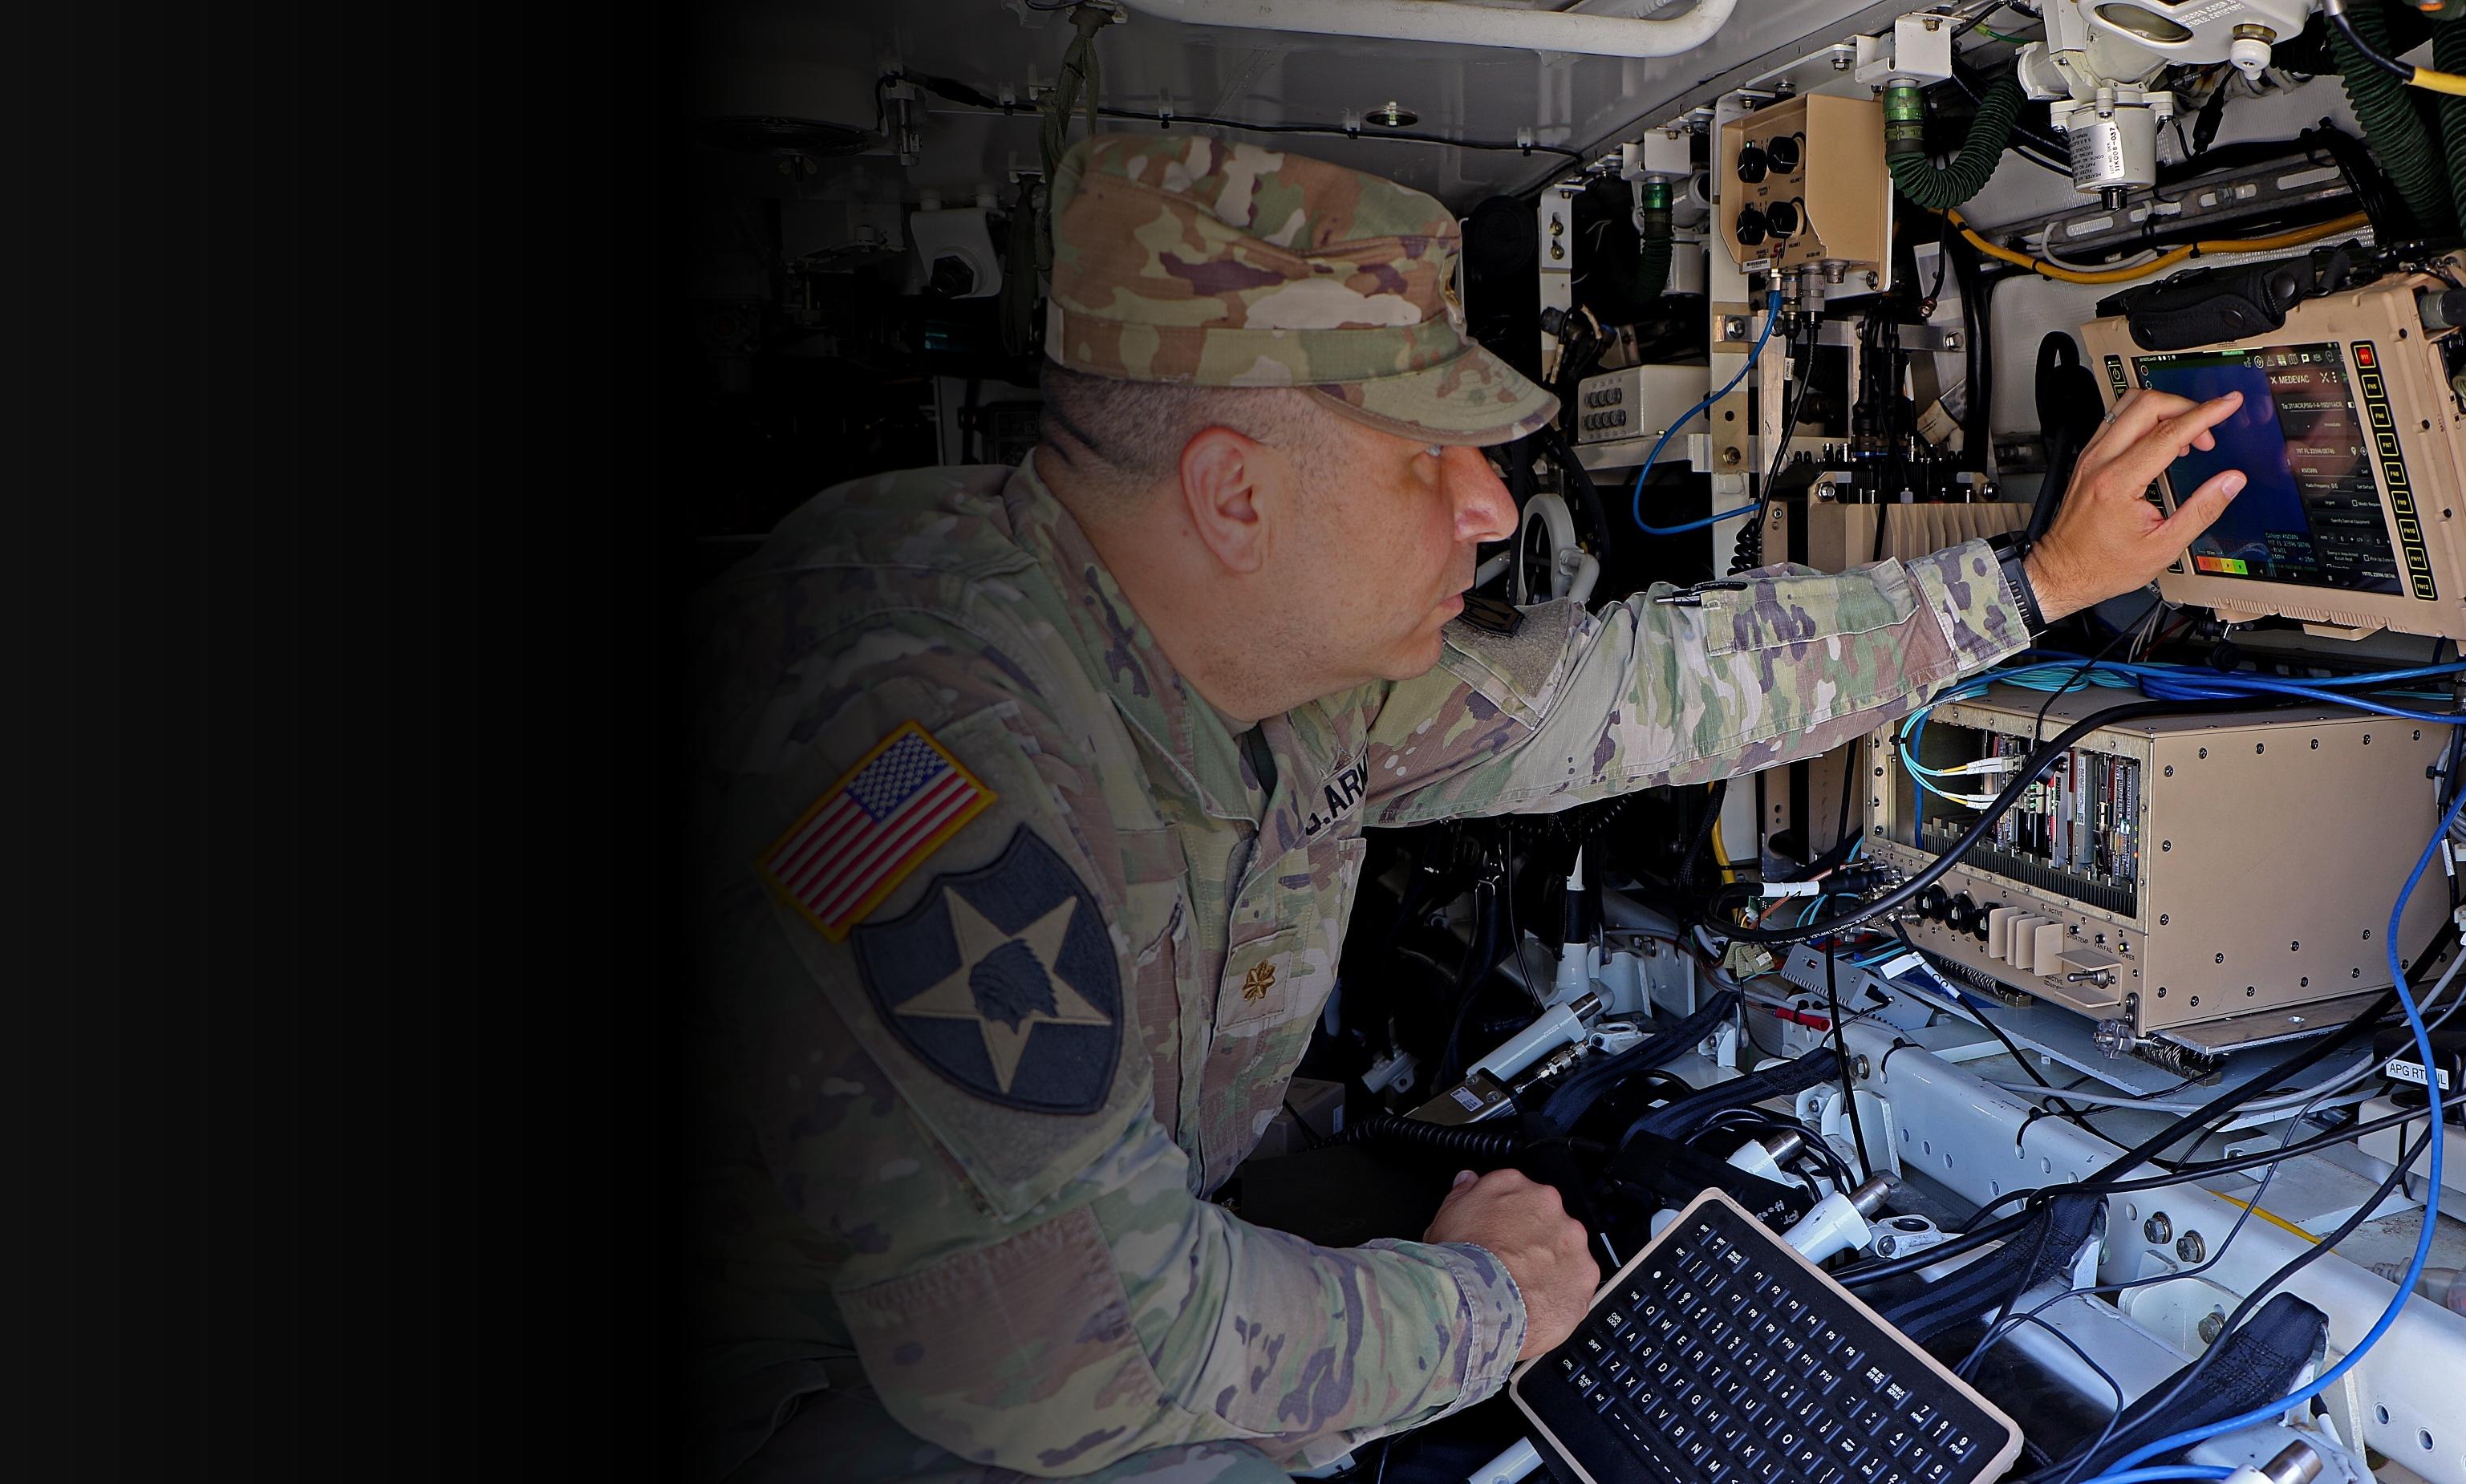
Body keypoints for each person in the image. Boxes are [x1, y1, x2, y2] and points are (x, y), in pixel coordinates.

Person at [686, 132, 2251, 1484]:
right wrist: (1488, 1304)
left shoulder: (1258, 659)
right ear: (1235, 494)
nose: (1495, 505)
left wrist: (2033, 582)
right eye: (1431, 459)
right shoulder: (908, 736)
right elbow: (1066, 1353)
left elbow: (1640, 690)